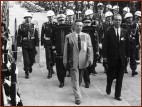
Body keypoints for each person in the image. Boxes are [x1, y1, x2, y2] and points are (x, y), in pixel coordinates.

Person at [63, 19, 93, 105]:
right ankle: (78, 98)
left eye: (80, 26)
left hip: (83, 61)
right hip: (73, 61)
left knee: (79, 79)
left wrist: (90, 58)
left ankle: (76, 89)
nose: (79, 27)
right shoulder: (69, 36)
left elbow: (89, 48)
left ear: (82, 27)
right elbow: (65, 49)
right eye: (77, 25)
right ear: (74, 26)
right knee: (75, 79)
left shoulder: (86, 36)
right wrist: (65, 60)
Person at [103, 14, 129, 101]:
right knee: (110, 76)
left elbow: (127, 46)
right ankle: (108, 86)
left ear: (121, 21)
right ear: (113, 21)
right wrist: (105, 57)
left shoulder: (124, 32)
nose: (118, 22)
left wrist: (128, 56)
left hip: (121, 59)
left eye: (119, 20)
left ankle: (117, 95)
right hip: (111, 59)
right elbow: (105, 45)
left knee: (120, 78)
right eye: (116, 20)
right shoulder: (108, 32)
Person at [52, 14, 73, 88]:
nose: (61, 22)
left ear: (65, 20)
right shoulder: (55, 28)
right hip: (58, 50)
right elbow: (52, 39)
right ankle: (61, 81)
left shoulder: (69, 28)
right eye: (60, 20)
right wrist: (54, 49)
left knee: (69, 64)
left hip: (68, 50)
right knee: (59, 66)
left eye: (62, 20)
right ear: (58, 21)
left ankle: (69, 75)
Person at [17, 12, 39, 79]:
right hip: (25, 45)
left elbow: (36, 37)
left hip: (32, 45)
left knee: (31, 60)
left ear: (31, 18)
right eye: (26, 18)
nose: (28, 19)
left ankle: (30, 66)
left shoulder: (34, 26)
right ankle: (26, 72)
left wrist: (37, 46)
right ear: (24, 19)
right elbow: (18, 36)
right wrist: (18, 46)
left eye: (29, 18)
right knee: (26, 60)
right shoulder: (21, 26)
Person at [82, 18, 99, 87]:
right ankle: (87, 81)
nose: (87, 24)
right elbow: (83, 42)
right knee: (85, 65)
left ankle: (87, 75)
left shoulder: (94, 30)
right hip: (85, 49)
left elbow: (96, 41)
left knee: (91, 65)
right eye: (85, 22)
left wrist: (97, 50)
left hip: (93, 49)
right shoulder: (82, 31)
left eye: (88, 22)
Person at [41, 10, 57, 79]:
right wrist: (42, 43)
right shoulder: (45, 25)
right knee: (48, 57)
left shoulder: (56, 24)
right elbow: (42, 34)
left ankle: (52, 66)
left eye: (52, 17)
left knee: (54, 57)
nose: (51, 18)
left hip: (54, 43)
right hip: (47, 43)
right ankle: (49, 71)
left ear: (54, 17)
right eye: (49, 17)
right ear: (48, 17)